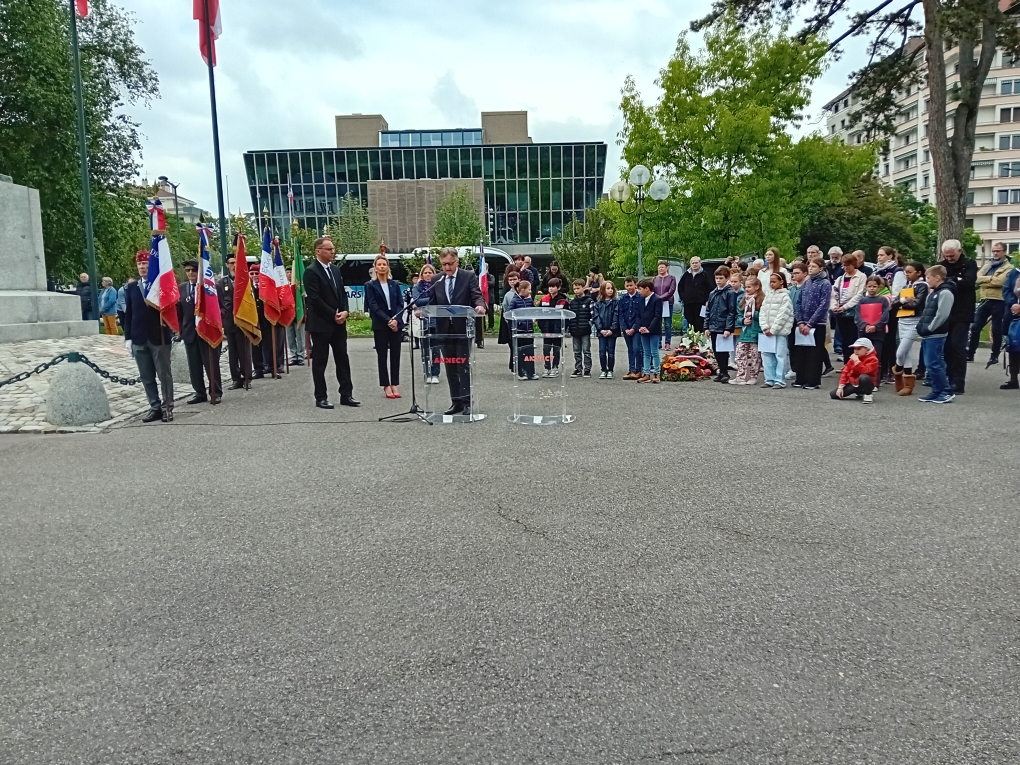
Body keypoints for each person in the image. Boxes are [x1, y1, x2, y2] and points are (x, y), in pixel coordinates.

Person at [428, 247, 486, 415]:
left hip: (462, 329)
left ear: (457, 262)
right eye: (444, 264)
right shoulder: (436, 279)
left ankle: (467, 401)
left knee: (462, 365)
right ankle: (456, 402)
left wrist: (480, 305)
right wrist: (420, 310)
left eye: (450, 264)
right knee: (450, 366)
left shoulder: (468, 276)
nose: (447, 267)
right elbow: (432, 303)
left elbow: (476, 295)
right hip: (444, 329)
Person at [304, 236, 359, 409]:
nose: (333, 252)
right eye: (329, 249)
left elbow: (342, 293)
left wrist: (345, 311)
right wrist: (332, 313)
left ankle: (346, 394)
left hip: (338, 323)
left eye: (333, 249)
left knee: (342, 358)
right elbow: (314, 298)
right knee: (320, 361)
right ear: (318, 251)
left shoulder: (335, 269)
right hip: (321, 324)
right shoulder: (311, 271)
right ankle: (321, 397)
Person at [123, 251, 174, 422]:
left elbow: (171, 308)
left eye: (145, 264)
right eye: (139, 265)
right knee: (146, 377)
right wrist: (128, 337)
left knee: (164, 375)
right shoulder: (131, 288)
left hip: (158, 336)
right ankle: (155, 406)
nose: (142, 267)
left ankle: (168, 407)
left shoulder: (160, 285)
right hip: (139, 337)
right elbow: (129, 313)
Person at [177, 259, 222, 405]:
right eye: (188, 270)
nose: (190, 273)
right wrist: (179, 330)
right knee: (194, 365)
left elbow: (217, 308)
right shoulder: (181, 288)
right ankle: (199, 392)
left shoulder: (208, 287)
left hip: (206, 331)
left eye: (194, 270)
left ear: (199, 272)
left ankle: (216, 391)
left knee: (211, 363)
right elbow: (179, 312)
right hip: (189, 332)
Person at [937, 238, 977, 394]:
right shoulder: (942, 265)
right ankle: (948, 377)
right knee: (946, 346)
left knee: (957, 345)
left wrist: (949, 280)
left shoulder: (969, 264)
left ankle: (958, 382)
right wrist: (955, 280)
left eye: (952, 255)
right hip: (946, 310)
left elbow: (968, 283)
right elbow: (937, 282)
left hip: (963, 311)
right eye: (946, 255)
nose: (949, 258)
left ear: (959, 251)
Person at [364, 254, 404, 399]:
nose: (381, 267)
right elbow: (373, 305)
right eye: (379, 264)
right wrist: (388, 320)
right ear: (375, 267)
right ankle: (386, 385)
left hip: (395, 324)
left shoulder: (394, 284)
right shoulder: (370, 285)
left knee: (396, 355)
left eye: (384, 264)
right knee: (382, 355)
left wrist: (396, 320)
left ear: (388, 267)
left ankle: (394, 383)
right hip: (381, 324)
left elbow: (400, 303)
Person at [968, 241, 1014, 367]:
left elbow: (1000, 282)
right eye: (993, 251)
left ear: (1004, 252)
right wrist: (990, 280)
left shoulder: (1009, 268)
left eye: (998, 251)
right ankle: (970, 353)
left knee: (996, 330)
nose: (995, 253)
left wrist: (985, 280)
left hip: (999, 300)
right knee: (975, 327)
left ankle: (994, 356)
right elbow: (976, 277)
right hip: (985, 299)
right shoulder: (988, 265)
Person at [917, 264, 956, 403]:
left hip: (936, 334)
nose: (927, 280)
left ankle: (946, 391)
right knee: (932, 363)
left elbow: (942, 315)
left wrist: (930, 328)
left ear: (937, 277)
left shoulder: (945, 293)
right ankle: (936, 390)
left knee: (933, 363)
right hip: (929, 334)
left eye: (928, 277)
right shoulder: (933, 293)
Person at [890, 261, 928, 396]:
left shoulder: (923, 286)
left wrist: (902, 305)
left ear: (919, 273)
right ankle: (906, 384)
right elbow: (894, 303)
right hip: (902, 320)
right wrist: (903, 301)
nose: (907, 274)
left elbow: (917, 304)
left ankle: (898, 371)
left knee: (900, 352)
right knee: (906, 353)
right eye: (905, 272)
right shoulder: (906, 286)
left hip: (914, 321)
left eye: (910, 272)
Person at [792, 258, 831, 390]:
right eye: (809, 266)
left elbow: (823, 305)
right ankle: (801, 378)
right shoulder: (806, 282)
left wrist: (810, 324)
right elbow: (798, 302)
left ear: (821, 268)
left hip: (817, 324)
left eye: (814, 266)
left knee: (814, 353)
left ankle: (812, 380)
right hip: (803, 323)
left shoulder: (825, 283)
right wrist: (801, 321)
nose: (810, 268)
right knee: (801, 351)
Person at [218, 254, 252, 390]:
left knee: (244, 352)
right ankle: (236, 379)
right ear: (227, 265)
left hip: (243, 321)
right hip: (229, 322)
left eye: (235, 262)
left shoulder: (245, 281)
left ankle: (247, 377)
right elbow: (220, 303)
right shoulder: (221, 283)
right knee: (232, 353)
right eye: (231, 263)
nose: (233, 265)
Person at [830, 252, 867, 363]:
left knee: (853, 339)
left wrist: (845, 307)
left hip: (853, 312)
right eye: (844, 265)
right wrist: (834, 306)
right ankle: (847, 363)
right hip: (840, 313)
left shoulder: (861, 276)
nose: (846, 267)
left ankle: (854, 363)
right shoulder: (840, 278)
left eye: (848, 265)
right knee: (844, 340)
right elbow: (834, 294)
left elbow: (859, 295)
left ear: (854, 264)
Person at [759, 271, 794, 389]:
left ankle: (779, 380)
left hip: (779, 332)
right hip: (767, 332)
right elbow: (762, 312)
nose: (772, 284)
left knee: (780, 355)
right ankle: (769, 378)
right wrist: (764, 327)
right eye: (770, 282)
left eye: (774, 282)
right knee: (767, 355)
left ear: (781, 282)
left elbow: (783, 315)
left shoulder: (785, 296)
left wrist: (773, 329)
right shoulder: (768, 295)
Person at [706, 266, 738, 383]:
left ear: (727, 278)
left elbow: (731, 311)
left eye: (721, 278)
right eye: (716, 278)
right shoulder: (712, 293)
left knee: (723, 351)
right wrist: (706, 326)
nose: (718, 280)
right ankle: (721, 371)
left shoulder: (730, 293)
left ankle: (725, 372)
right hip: (713, 325)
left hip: (723, 326)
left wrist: (728, 328)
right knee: (716, 350)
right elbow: (708, 310)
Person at [854, 275, 891, 377]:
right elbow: (857, 316)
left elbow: (885, 316)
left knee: (875, 355)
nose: (872, 289)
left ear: (879, 287)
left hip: (878, 333)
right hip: (863, 332)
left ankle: (875, 381)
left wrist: (875, 326)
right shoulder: (862, 300)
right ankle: (861, 379)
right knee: (861, 355)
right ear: (866, 287)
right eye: (869, 286)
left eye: (874, 286)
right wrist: (865, 325)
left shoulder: (883, 300)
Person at [730, 274, 764, 385]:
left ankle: (753, 376)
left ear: (757, 287)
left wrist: (754, 314)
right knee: (740, 354)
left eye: (749, 287)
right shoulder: (743, 299)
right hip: (744, 332)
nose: (747, 289)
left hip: (755, 332)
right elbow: (738, 315)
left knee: (755, 357)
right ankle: (740, 376)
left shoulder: (761, 299)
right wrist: (742, 321)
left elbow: (765, 315)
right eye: (746, 287)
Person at [412, 263, 441, 383]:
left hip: (437, 321)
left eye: (430, 272)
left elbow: (441, 301)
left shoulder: (438, 286)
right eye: (426, 273)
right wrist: (432, 300)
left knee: (435, 349)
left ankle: (435, 374)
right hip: (424, 322)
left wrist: (427, 302)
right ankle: (427, 373)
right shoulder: (417, 287)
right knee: (425, 350)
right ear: (422, 275)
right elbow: (417, 301)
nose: (428, 275)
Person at [830, 338, 879, 404]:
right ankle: (859, 392)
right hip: (854, 383)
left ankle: (868, 394)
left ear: (867, 349)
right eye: (855, 349)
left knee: (864, 377)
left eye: (859, 349)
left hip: (867, 383)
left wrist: (857, 361)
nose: (856, 351)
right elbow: (845, 372)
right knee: (833, 394)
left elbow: (865, 371)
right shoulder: (853, 358)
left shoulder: (873, 359)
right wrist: (840, 387)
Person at [539, 277, 569, 377]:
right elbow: (540, 314)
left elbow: (567, 316)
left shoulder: (563, 300)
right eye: (549, 287)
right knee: (546, 349)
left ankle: (555, 367)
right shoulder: (544, 299)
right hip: (546, 329)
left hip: (557, 329)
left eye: (553, 287)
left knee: (556, 349)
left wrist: (563, 328)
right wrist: (542, 326)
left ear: (559, 288)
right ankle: (547, 367)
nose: (551, 289)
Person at [566, 279, 594, 378]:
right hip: (575, 330)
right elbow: (569, 316)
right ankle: (578, 368)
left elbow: (592, 315)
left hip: (585, 330)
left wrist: (589, 324)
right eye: (574, 289)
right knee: (576, 351)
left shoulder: (589, 301)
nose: (576, 291)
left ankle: (587, 369)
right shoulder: (572, 302)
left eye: (578, 288)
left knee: (586, 350)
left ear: (583, 288)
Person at [636, 278, 663, 383]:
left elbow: (657, 316)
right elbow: (638, 315)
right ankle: (646, 373)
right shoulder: (641, 300)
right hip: (643, 330)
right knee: (646, 352)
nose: (639, 291)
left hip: (654, 330)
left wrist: (649, 329)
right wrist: (641, 327)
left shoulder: (657, 299)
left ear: (647, 288)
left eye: (640, 289)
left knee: (654, 352)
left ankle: (656, 373)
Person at [509, 280, 537, 381]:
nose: (530, 291)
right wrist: (519, 321)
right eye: (529, 289)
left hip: (529, 330)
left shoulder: (529, 300)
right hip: (519, 331)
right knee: (520, 352)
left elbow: (534, 310)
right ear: (522, 290)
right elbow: (509, 313)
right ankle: (521, 372)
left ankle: (531, 372)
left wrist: (534, 317)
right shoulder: (514, 300)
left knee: (530, 352)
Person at [592, 280, 620, 379]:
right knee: (602, 351)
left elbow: (616, 316)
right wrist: (600, 329)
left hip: (612, 332)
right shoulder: (598, 303)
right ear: (603, 290)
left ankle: (610, 370)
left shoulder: (616, 303)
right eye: (608, 288)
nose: (610, 290)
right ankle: (603, 369)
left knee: (611, 352)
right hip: (602, 332)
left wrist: (612, 329)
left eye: (611, 288)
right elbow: (596, 317)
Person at [678, 256, 712, 333]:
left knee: (699, 321)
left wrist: (706, 300)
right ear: (690, 264)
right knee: (689, 320)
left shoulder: (704, 275)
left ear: (700, 263)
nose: (694, 264)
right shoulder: (686, 275)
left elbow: (709, 288)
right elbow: (680, 287)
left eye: (696, 263)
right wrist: (683, 297)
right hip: (688, 303)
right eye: (693, 263)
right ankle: (691, 338)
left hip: (700, 303)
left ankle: (699, 339)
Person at [786, 262, 808, 382]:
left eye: (797, 273)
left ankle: (803, 368)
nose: (794, 275)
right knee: (791, 346)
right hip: (791, 320)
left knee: (802, 346)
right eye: (793, 273)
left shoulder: (807, 288)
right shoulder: (791, 289)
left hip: (802, 320)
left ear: (805, 274)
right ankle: (794, 368)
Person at [619, 277, 644, 379]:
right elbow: (620, 315)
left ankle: (638, 370)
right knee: (630, 349)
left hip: (636, 328)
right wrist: (625, 328)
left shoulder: (640, 298)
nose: (629, 287)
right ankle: (631, 370)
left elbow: (640, 315)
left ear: (635, 285)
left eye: (631, 285)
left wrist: (634, 328)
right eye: (627, 286)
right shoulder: (623, 299)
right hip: (626, 328)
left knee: (637, 348)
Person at [498, 267, 521, 373]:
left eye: (514, 279)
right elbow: (506, 308)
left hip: (523, 323)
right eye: (510, 280)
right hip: (511, 322)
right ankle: (514, 365)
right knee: (513, 345)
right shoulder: (508, 295)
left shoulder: (523, 291)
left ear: (519, 280)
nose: (512, 282)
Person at [1001, 265, 1020, 390]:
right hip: (1013, 313)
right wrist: (1013, 304)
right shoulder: (1014, 273)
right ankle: (1013, 379)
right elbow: (1006, 290)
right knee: (1013, 345)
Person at [653, 260, 677, 349]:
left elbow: (671, 290)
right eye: (659, 267)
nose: (661, 269)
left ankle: (667, 342)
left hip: (668, 303)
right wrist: (657, 299)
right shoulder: (655, 279)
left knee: (667, 324)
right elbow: (652, 290)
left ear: (666, 268)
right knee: (657, 323)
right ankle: (658, 342)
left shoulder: (672, 278)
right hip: (657, 304)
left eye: (662, 267)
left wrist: (661, 297)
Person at [285, 267, 305, 366]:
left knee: (300, 336)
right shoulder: (284, 286)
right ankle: (293, 356)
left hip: (298, 313)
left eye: (290, 272)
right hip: (288, 315)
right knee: (290, 337)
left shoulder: (298, 286)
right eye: (287, 272)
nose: (289, 274)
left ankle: (301, 356)